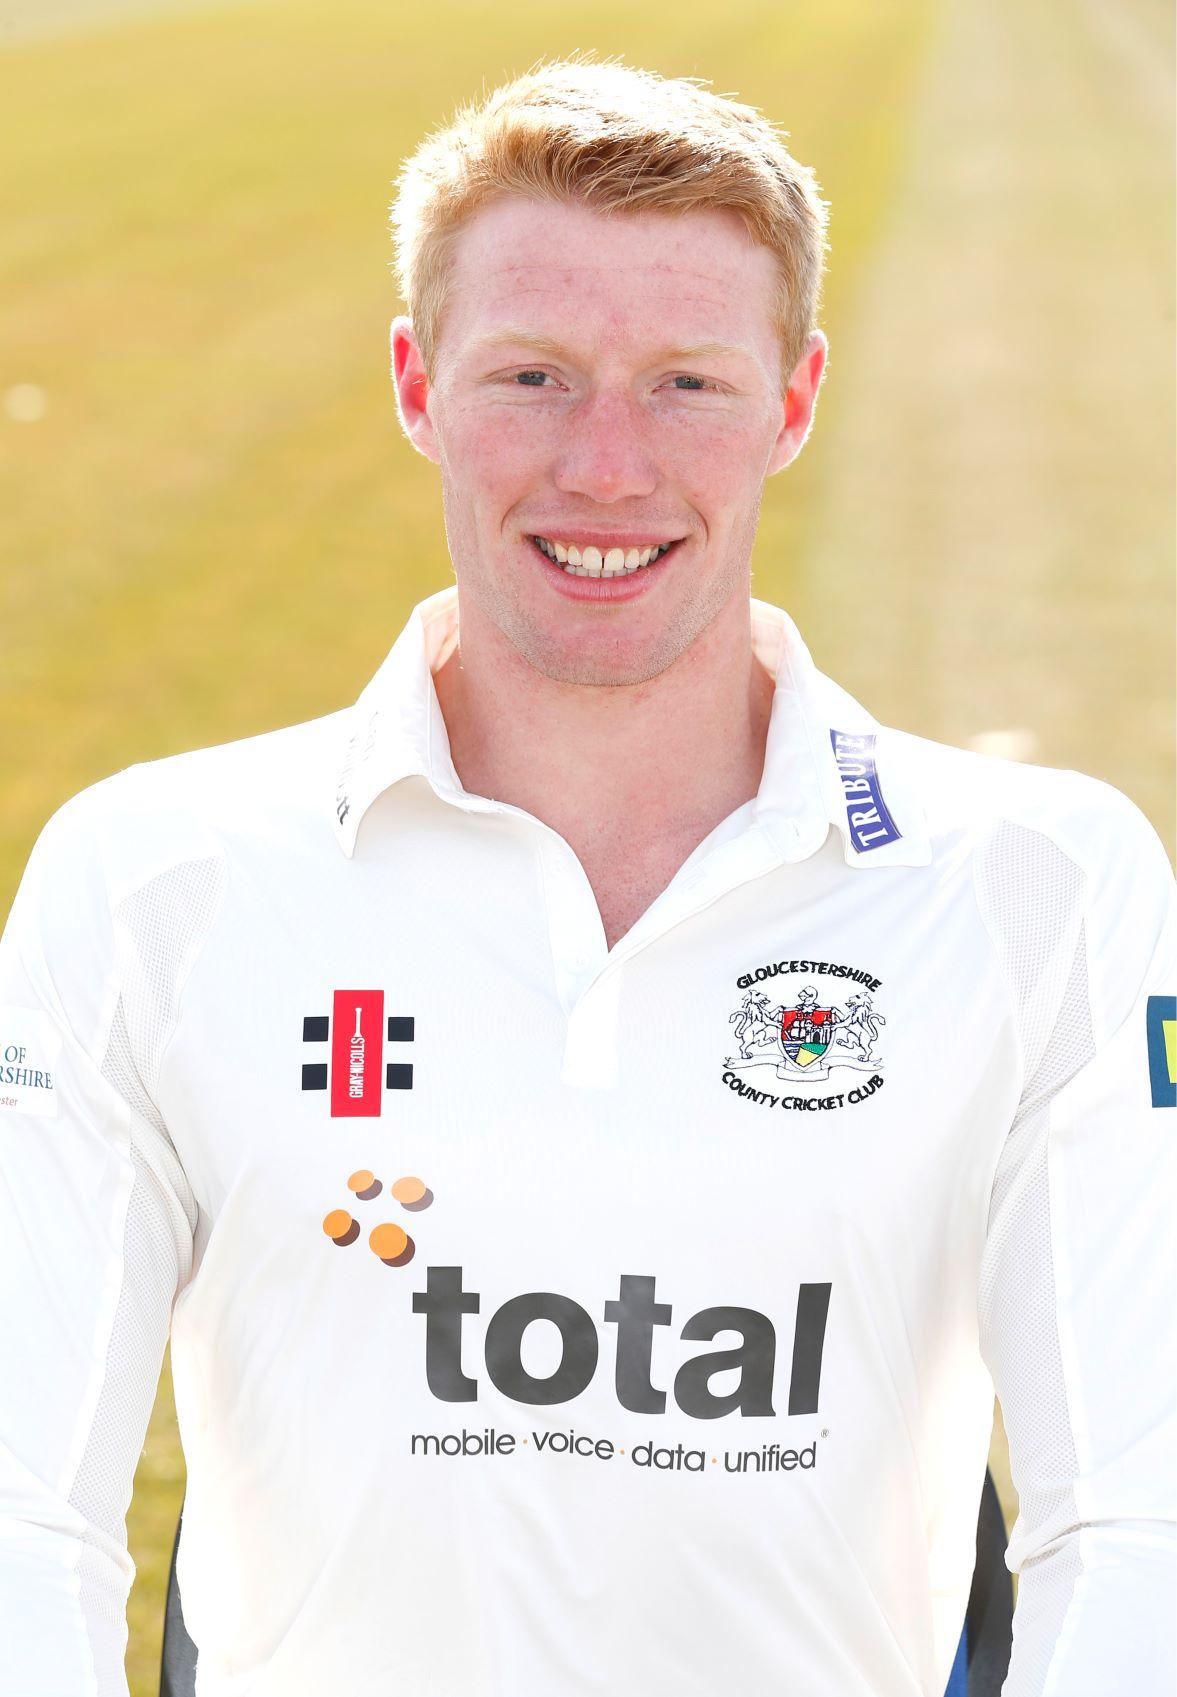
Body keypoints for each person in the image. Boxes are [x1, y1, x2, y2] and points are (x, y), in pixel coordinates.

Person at [1, 55, 1173, 1697]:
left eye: (686, 381)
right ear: (416, 384)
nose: (606, 466)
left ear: (794, 399)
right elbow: (26, 1510)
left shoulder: (1041, 883)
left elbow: (1131, 1517)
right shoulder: (150, 878)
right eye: (532, 376)